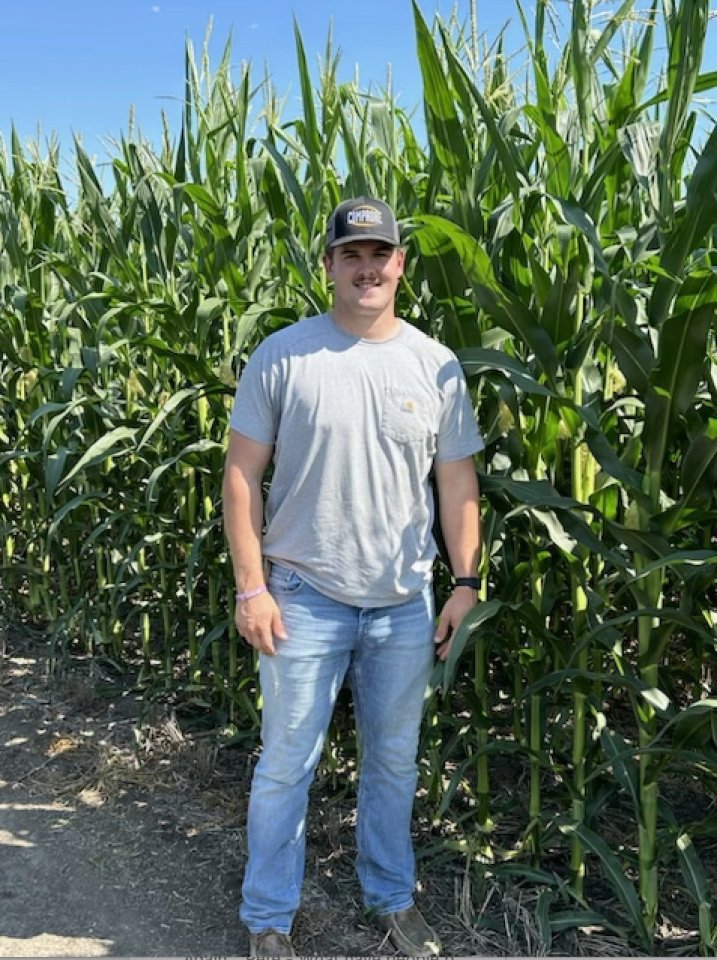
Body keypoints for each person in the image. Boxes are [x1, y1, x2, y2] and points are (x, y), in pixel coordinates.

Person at [223, 196, 483, 958]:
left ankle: (390, 898)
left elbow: (456, 483)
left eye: (380, 254)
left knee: (393, 762)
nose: (366, 268)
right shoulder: (285, 354)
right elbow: (241, 475)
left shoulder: (433, 363)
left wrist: (464, 582)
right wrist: (251, 587)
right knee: (285, 766)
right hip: (303, 596)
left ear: (401, 263)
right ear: (330, 264)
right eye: (351, 255)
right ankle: (268, 919)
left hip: (403, 604)